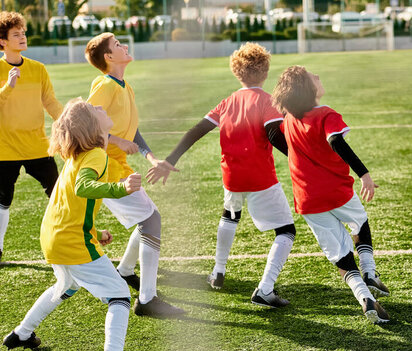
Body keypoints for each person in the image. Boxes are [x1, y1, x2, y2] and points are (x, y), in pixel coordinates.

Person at [2, 98, 156, 351]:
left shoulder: (77, 158)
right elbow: (85, 188)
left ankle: (22, 333)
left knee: (65, 286)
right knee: (120, 297)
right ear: (93, 128)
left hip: (54, 237)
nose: (101, 109)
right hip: (71, 243)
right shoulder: (96, 156)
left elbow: (69, 205)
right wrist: (120, 188)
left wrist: (96, 233)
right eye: (96, 110)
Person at [148, 43, 295, 308]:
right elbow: (275, 135)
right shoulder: (266, 101)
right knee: (286, 231)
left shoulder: (227, 101)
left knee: (230, 216)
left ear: (236, 73)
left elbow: (196, 130)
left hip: (232, 177)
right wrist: (301, 159)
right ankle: (265, 289)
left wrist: (169, 160)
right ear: (265, 71)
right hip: (260, 177)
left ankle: (217, 272)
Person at [271, 65, 390, 324]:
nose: (319, 77)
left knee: (339, 253)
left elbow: (272, 134)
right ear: (308, 89)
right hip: (336, 191)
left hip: (307, 199)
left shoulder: (289, 120)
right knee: (360, 223)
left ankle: (364, 296)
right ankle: (369, 270)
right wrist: (364, 174)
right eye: (314, 77)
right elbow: (336, 141)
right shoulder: (326, 114)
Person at [85, 33, 184, 317]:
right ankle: (148, 298)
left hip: (117, 166)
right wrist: (116, 142)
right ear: (108, 57)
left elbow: (133, 131)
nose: (124, 46)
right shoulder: (105, 84)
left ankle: (126, 271)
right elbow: (87, 121)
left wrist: (152, 157)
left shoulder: (124, 85)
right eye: (117, 45)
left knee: (149, 217)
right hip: (104, 167)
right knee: (151, 220)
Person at [0, 11, 63, 261]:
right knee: (3, 203)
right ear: (2, 41)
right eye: (16, 34)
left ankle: (78, 239)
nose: (22, 37)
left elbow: (50, 102)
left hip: (38, 146)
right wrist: (8, 87)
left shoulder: (38, 69)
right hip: (5, 149)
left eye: (23, 33)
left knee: (59, 193)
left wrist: (69, 121)